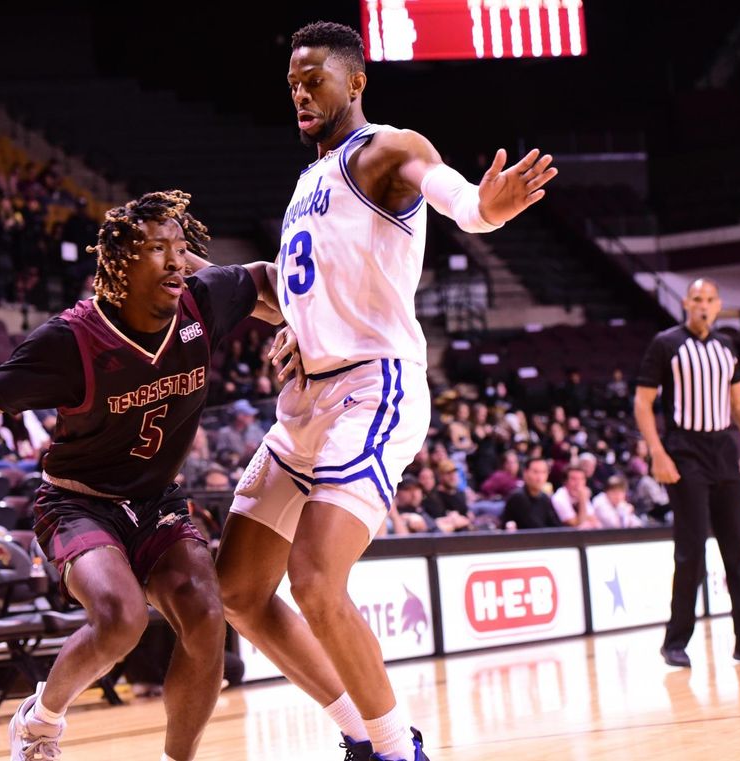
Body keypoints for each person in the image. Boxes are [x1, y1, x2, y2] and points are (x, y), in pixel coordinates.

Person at [214, 21, 556, 761]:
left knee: (312, 577)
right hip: (306, 400)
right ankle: (359, 732)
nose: (301, 92)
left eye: (315, 78)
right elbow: (311, 283)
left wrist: (488, 207)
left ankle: (400, 750)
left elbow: (463, 203)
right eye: (293, 84)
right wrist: (295, 322)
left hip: (374, 388)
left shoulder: (388, 148)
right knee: (238, 589)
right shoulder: (307, 182)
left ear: (355, 81)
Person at [0, 191, 281, 761]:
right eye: (159, 249)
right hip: (79, 503)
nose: (178, 261)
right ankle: (40, 721)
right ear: (122, 264)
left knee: (206, 616)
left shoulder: (205, 302)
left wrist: (303, 325)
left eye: (182, 247)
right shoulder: (70, 341)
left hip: (158, 503)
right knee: (121, 619)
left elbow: (272, 279)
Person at [634, 278, 740, 669]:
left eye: (709, 300)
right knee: (692, 548)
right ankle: (675, 640)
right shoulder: (666, 343)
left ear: (718, 306)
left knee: (737, 548)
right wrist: (658, 453)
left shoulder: (726, 346)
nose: (703, 306)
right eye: (696, 299)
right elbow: (642, 403)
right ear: (685, 304)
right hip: (684, 450)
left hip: (723, 449)